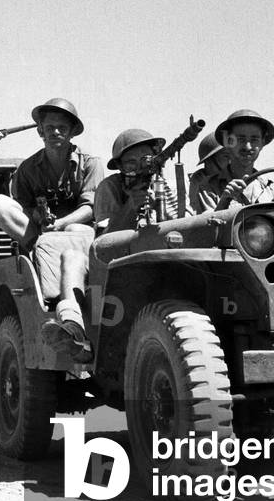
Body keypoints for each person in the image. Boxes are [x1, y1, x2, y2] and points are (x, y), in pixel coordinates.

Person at [42, 128, 182, 363]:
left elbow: (183, 227)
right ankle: (74, 329)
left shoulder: (168, 186)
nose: (139, 167)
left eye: (145, 159)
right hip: (115, 267)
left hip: (162, 265)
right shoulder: (110, 187)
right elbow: (103, 244)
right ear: (120, 167)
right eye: (130, 163)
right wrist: (130, 207)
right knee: (72, 257)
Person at [0, 98, 103, 250]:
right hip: (40, 234)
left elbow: (90, 208)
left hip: (78, 234)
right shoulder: (27, 169)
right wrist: (37, 215)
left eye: (62, 127)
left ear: (72, 131)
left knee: (73, 229)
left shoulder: (90, 163)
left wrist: (60, 224)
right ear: (40, 131)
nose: (55, 132)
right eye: (50, 127)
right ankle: (37, 250)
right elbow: (23, 207)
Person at [196, 109, 274, 211]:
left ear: (262, 143)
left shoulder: (271, 189)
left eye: (254, 139)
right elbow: (206, 228)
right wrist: (224, 202)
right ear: (228, 142)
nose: (248, 147)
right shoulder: (207, 188)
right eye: (240, 139)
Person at [187, 133, 230, 214]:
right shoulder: (194, 185)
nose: (231, 161)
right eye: (226, 156)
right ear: (210, 159)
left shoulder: (227, 182)